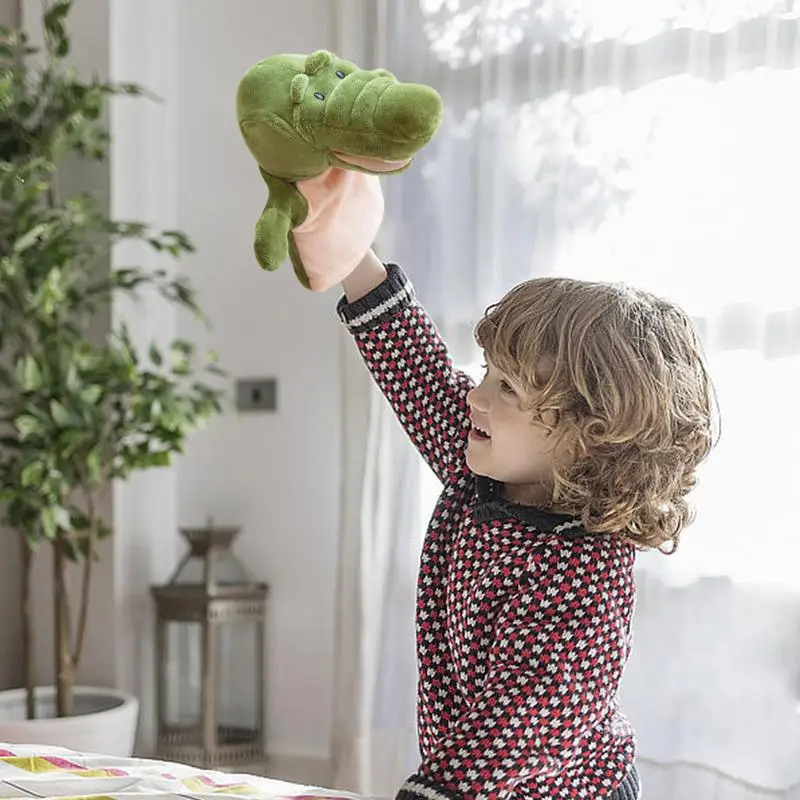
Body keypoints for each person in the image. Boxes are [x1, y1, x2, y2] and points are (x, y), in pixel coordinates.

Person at [293, 173, 717, 799]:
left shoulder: (583, 577)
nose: (475, 394)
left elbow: (520, 727)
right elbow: (413, 363)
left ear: (589, 434)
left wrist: (433, 790)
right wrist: (351, 247)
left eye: (507, 387)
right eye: (488, 372)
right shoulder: (482, 473)